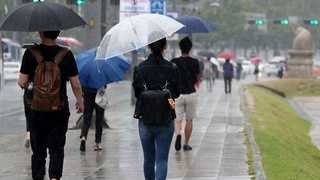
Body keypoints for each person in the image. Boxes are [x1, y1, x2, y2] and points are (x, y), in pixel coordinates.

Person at [18, 31, 84, 180]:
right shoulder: (66, 54)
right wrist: (80, 102)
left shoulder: (30, 53)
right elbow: (76, 84)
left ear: (41, 33)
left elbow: (22, 82)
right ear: (57, 33)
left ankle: (39, 177)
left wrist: (31, 82)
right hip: (59, 109)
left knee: (38, 151)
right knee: (57, 149)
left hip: (37, 110)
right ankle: (54, 177)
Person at [133, 38, 180, 180]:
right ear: (165, 46)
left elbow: (137, 94)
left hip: (145, 120)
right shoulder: (171, 68)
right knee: (162, 160)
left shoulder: (140, 68)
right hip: (166, 119)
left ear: (148, 46)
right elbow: (176, 93)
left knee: (148, 160)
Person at [171, 37, 200, 151]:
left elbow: (171, 78)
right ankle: (186, 143)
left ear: (180, 48)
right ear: (190, 48)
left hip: (177, 95)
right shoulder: (195, 62)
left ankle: (178, 134)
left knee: (178, 119)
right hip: (191, 94)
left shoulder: (174, 62)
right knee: (189, 120)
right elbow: (198, 78)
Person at [79, 86, 106, 152]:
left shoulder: (87, 75)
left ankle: (83, 137)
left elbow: (83, 83)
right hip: (100, 94)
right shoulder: (101, 75)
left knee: (87, 118)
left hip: (88, 93)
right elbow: (104, 85)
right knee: (99, 120)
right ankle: (98, 143)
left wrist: (83, 92)